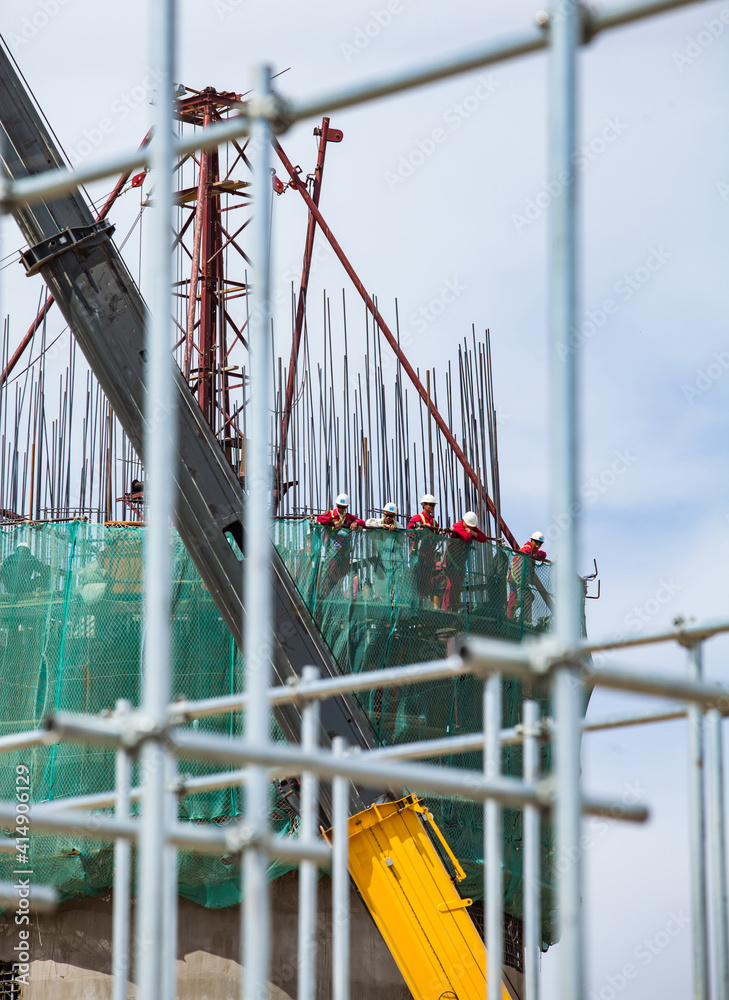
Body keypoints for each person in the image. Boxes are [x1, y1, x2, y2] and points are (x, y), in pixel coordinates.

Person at [315, 494, 364, 596]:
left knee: (340, 574)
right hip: (331, 549)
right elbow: (319, 519)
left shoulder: (349, 517)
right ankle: (322, 593)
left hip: (343, 551)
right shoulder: (330, 514)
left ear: (346, 507)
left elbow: (362, 522)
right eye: (339, 507)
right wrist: (332, 521)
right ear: (336, 505)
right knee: (327, 572)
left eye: (343, 507)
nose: (341, 509)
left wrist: (356, 523)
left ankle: (335, 593)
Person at [443, 511, 488, 611]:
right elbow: (467, 538)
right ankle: (445, 608)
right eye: (469, 526)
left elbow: (484, 538)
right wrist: (472, 534)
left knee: (458, 587)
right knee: (451, 586)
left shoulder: (470, 527)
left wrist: (471, 531)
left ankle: (454, 609)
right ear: (464, 521)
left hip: (461, 563)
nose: (471, 528)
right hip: (452, 562)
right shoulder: (458, 526)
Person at [507, 531, 547, 624]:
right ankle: (522, 619)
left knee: (514, 597)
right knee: (527, 597)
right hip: (517, 578)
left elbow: (543, 554)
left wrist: (536, 555)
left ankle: (511, 618)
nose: (538, 545)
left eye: (540, 544)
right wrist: (530, 555)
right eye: (536, 542)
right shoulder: (526, 549)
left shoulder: (532, 550)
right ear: (531, 540)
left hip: (515, 577)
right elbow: (524, 552)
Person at [407, 494, 440, 603]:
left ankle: (422, 605)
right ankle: (414, 605)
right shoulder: (417, 518)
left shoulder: (434, 522)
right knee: (415, 582)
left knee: (426, 584)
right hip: (417, 556)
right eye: (430, 505)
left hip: (429, 558)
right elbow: (409, 533)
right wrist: (421, 528)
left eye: (433, 505)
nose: (432, 507)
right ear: (424, 505)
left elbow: (437, 538)